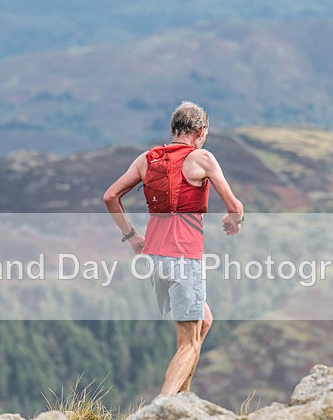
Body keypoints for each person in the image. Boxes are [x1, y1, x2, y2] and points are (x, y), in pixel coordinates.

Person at [103, 101, 244, 396]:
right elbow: (235, 205)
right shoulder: (202, 158)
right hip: (184, 257)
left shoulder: (147, 159)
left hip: (155, 257)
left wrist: (131, 236)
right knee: (188, 343)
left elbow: (110, 196)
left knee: (203, 321)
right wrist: (235, 221)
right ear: (201, 131)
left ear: (173, 130)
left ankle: (184, 400)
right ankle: (162, 407)